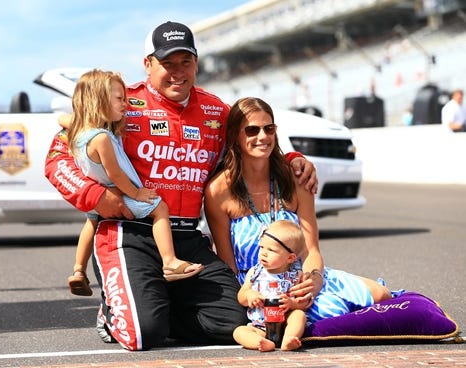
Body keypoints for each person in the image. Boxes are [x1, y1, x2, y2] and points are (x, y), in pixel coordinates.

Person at [44, 21, 317, 351]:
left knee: (238, 322)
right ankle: (118, 311)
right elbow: (59, 154)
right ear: (147, 64)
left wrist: (293, 158)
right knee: (144, 334)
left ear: (196, 63)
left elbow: (256, 138)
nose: (177, 72)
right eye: (167, 63)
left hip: (187, 237)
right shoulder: (122, 103)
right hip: (129, 232)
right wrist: (95, 195)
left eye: (185, 62)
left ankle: (156, 303)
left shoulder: (216, 110)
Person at [204, 96, 399, 328]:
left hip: (302, 276)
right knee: (330, 311)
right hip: (260, 285)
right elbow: (229, 264)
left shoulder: (296, 179)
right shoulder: (218, 191)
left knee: (381, 295)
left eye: (269, 129)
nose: (263, 137)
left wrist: (314, 281)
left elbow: (311, 250)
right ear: (235, 136)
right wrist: (251, 295)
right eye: (252, 130)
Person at [64, 69, 204, 297]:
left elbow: (65, 120)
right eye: (119, 99)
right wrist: (136, 193)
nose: (125, 104)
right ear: (99, 100)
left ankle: (78, 270)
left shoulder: (79, 133)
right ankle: (169, 260)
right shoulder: (101, 138)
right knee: (160, 209)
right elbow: (116, 174)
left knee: (90, 224)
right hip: (119, 194)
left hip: (96, 197)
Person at [233, 219, 306, 352]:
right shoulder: (255, 272)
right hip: (261, 326)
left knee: (299, 315)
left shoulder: (295, 275)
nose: (264, 253)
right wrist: (250, 295)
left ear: (290, 258)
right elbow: (241, 296)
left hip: (284, 324)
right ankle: (260, 342)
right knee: (239, 331)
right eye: (261, 247)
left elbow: (304, 302)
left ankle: (289, 339)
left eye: (271, 250)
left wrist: (292, 303)